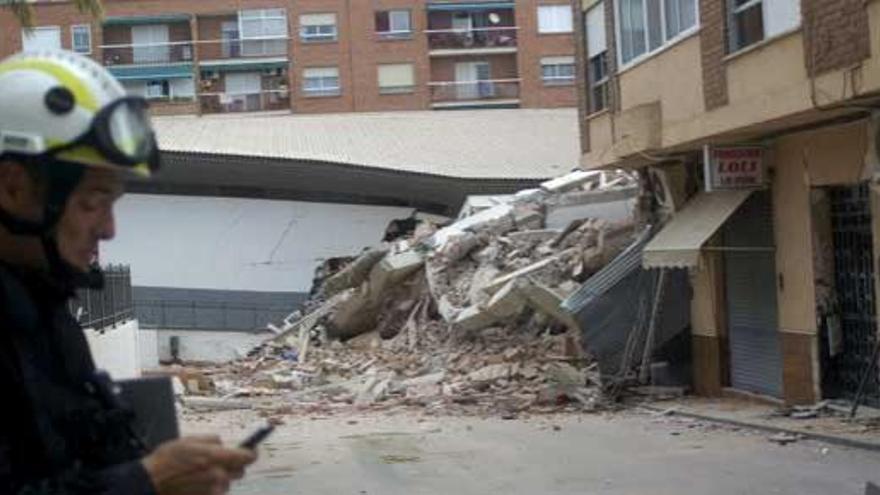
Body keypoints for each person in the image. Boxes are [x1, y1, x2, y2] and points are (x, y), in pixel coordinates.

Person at [0, 49, 256, 494]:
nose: (109, 229)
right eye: (92, 201)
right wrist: (149, 479)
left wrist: (166, 475)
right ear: (13, 187)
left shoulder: (41, 313)